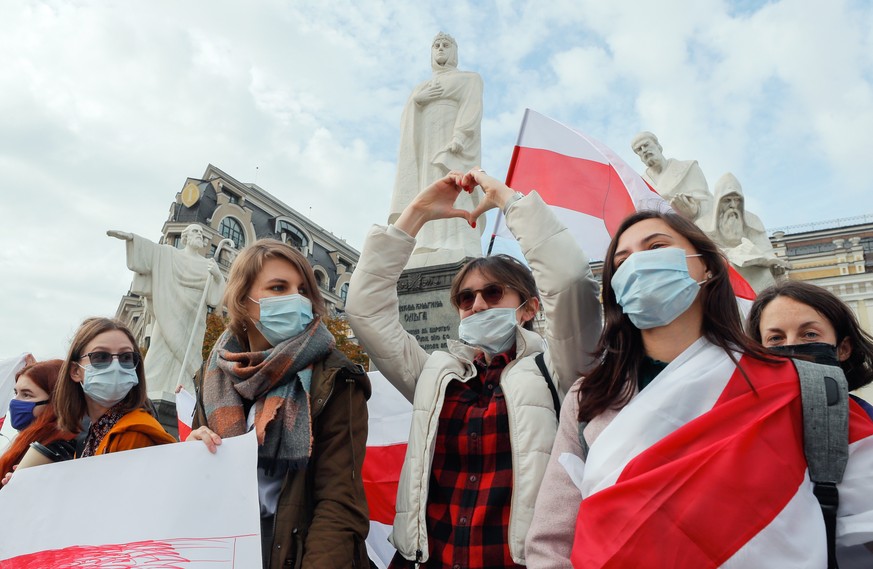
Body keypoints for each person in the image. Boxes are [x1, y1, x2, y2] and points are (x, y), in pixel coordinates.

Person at [525, 210, 873, 568]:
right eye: (622, 259)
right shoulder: (590, 396)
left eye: (655, 246)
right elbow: (551, 540)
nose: (637, 265)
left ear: (707, 267)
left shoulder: (794, 384)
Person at [346, 168, 601, 567]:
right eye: (465, 298)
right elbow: (365, 311)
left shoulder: (559, 370)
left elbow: (571, 282)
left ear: (530, 307)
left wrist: (508, 201)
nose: (477, 305)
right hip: (425, 560)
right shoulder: (434, 375)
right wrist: (415, 214)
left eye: (493, 292)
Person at [186, 239, 371, 569]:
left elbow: (339, 503)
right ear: (244, 300)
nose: (296, 299)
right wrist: (190, 453)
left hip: (298, 551)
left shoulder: (335, 377)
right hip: (226, 546)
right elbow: (197, 486)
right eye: (278, 287)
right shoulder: (213, 375)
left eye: (303, 290)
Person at [389, 32, 484, 264]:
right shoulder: (421, 88)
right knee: (427, 187)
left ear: (454, 51)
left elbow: (472, 106)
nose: (440, 49)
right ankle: (426, 243)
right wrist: (417, 101)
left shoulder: (469, 79)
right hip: (427, 144)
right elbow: (407, 121)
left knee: (455, 186)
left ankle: (458, 241)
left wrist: (460, 136)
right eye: (436, 46)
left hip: (452, 142)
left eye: (445, 45)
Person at [108, 223, 226, 396]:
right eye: (195, 231)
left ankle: (185, 390)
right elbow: (152, 251)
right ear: (185, 237)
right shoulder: (170, 255)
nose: (199, 234)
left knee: (188, 355)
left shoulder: (208, 265)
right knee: (159, 348)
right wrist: (131, 238)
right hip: (169, 310)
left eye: (201, 232)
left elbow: (214, 298)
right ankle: (149, 390)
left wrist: (217, 275)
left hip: (194, 317)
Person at [51, 318, 176, 457]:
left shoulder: (133, 435)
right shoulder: (96, 433)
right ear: (75, 371)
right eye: (101, 356)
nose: (116, 366)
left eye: (126, 357)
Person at [747, 279, 873, 412]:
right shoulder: (742, 425)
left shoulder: (867, 424)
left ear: (843, 349)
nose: (791, 345)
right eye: (776, 338)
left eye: (810, 334)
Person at [700, 172, 787, 292]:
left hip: (754, 269)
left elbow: (766, 250)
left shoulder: (753, 221)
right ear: (718, 202)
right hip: (721, 269)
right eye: (727, 200)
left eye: (737, 200)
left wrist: (774, 264)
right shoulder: (703, 224)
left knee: (765, 275)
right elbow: (702, 253)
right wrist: (731, 254)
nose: (733, 205)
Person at [0, 360, 75, 486]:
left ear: (56, 402)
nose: (15, 402)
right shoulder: (23, 440)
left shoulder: (57, 447)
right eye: (16, 393)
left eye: (27, 395)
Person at [631, 131, 712, 222]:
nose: (644, 150)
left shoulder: (688, 167)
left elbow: (707, 201)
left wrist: (694, 209)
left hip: (693, 225)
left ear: (658, 145)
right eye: (639, 149)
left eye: (646, 145)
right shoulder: (641, 185)